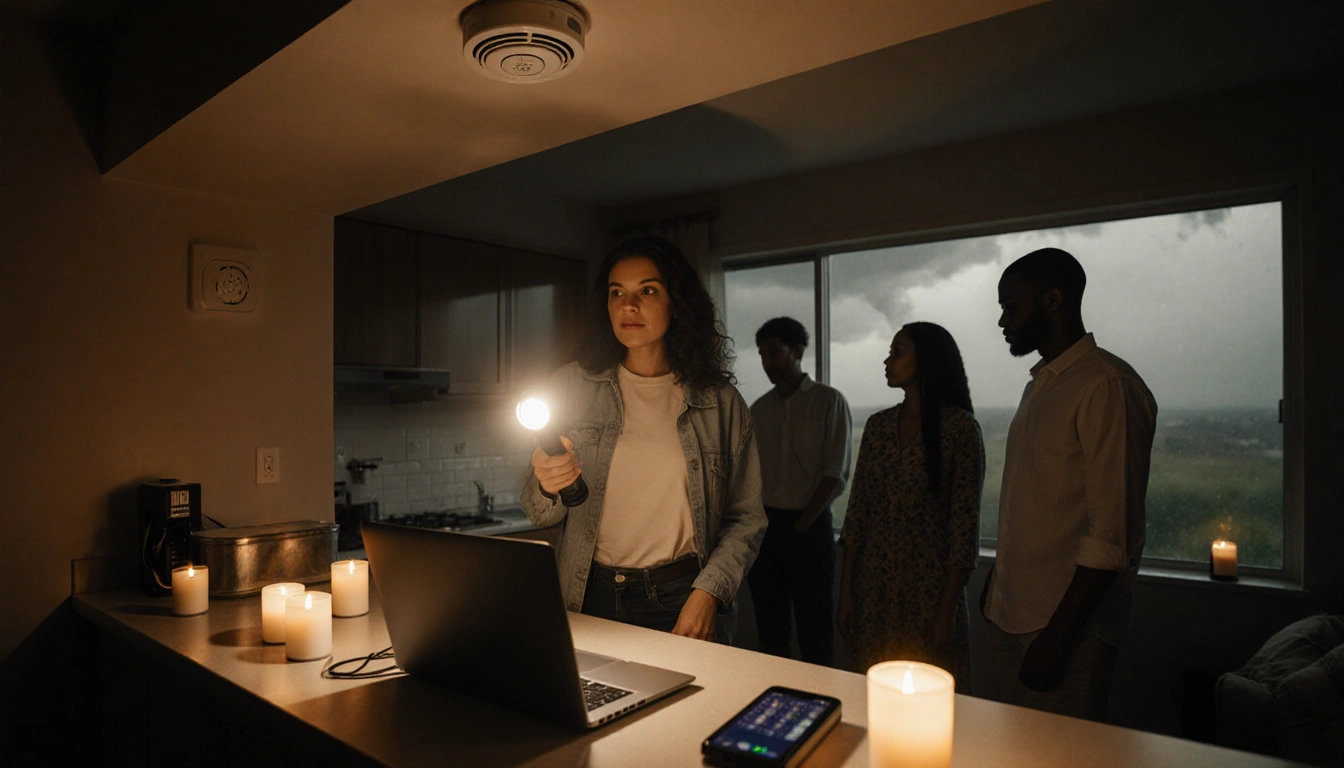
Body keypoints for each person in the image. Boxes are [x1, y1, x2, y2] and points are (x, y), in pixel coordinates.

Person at [521, 235, 767, 644]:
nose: (628, 306)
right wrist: (548, 485)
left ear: (678, 303)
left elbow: (747, 517)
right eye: (617, 292)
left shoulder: (719, 401)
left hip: (681, 596)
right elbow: (539, 514)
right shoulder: (568, 387)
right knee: (595, 707)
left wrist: (710, 592)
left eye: (647, 291)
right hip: (588, 594)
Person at [981, 247, 1157, 721]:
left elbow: (1110, 536)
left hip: (1063, 630)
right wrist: (998, 587)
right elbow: (1036, 503)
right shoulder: (1043, 383)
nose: (1002, 321)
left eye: (1010, 306)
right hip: (1014, 615)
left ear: (1053, 299)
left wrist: (1057, 638)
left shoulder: (1106, 385)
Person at [836, 322, 984, 691]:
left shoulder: (959, 430)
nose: (887, 361)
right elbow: (857, 515)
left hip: (929, 590)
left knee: (929, 694)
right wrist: (847, 593)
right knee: (873, 688)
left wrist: (946, 613)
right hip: (874, 586)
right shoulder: (879, 426)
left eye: (897, 351)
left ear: (927, 359)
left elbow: (963, 530)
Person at [746, 317, 852, 665]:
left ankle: (823, 710)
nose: (767, 363)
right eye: (763, 355)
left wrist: (804, 523)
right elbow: (749, 472)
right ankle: (776, 708)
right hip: (767, 527)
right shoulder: (759, 409)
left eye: (774, 353)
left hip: (810, 527)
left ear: (798, 351)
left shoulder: (827, 401)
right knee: (771, 634)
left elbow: (835, 473)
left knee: (815, 633)